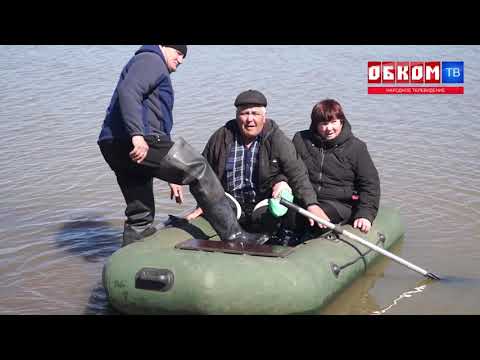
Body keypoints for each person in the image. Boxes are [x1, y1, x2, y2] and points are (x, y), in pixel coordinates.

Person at [98, 46, 267, 247]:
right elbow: (129, 90)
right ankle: (235, 236)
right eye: (178, 53)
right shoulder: (151, 60)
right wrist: (136, 135)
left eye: (184, 56)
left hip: (112, 144)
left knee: (140, 214)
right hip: (137, 140)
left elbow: (154, 117)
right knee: (199, 169)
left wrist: (172, 173)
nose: (181, 60)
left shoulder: (143, 62)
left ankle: (130, 258)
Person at [186, 89, 326, 237]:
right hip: (231, 204)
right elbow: (202, 171)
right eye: (244, 113)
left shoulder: (277, 139)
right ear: (237, 116)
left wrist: (312, 204)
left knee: (282, 210)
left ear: (264, 117)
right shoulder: (221, 136)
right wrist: (203, 203)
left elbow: (297, 173)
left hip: (263, 205)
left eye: (255, 114)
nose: (249, 119)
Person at [292, 99, 380, 234]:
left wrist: (365, 214)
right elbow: (288, 168)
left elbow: (370, 184)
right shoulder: (301, 140)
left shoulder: (356, 147)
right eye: (324, 123)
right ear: (315, 125)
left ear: (341, 121)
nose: (329, 128)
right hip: (307, 198)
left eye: (334, 122)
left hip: (340, 204)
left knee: (314, 221)